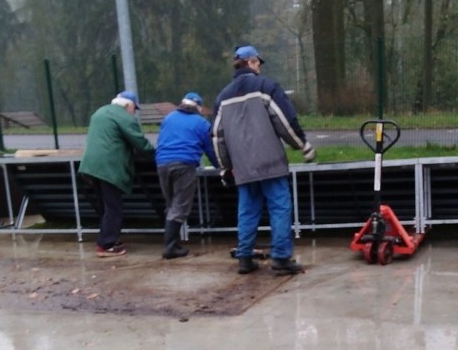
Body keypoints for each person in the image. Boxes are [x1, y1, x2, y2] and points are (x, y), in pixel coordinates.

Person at [212, 45, 316, 275]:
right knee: (279, 208)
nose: (259, 67)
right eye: (258, 62)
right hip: (271, 164)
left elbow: (217, 136)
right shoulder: (266, 87)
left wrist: (225, 168)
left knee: (247, 211)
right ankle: (280, 259)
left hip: (243, 168)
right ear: (250, 62)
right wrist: (302, 145)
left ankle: (245, 259)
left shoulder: (222, 98)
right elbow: (284, 120)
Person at [78, 91, 153, 257]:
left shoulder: (100, 112)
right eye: (134, 108)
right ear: (127, 105)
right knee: (114, 208)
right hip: (109, 168)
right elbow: (139, 142)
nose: (134, 112)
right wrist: (156, 155)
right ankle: (106, 245)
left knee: (105, 207)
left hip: (90, 166)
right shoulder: (124, 117)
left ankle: (107, 239)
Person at [155, 92, 218, 259]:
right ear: (198, 108)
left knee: (171, 204)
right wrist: (221, 166)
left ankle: (173, 243)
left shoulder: (168, 118)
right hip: (184, 165)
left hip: (162, 164)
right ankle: (169, 247)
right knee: (180, 205)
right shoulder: (201, 123)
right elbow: (210, 149)